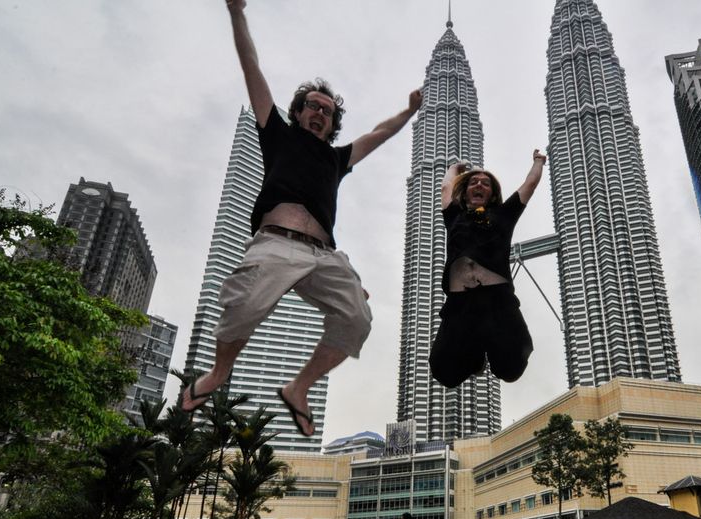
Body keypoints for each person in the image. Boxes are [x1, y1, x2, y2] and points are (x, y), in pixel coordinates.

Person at [181, 0, 423, 437]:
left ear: (332, 124)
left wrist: (408, 112)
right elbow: (250, 65)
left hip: (325, 255)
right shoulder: (276, 133)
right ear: (298, 111)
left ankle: (299, 387)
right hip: (276, 243)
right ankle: (218, 373)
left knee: (357, 318)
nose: (318, 112)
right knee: (246, 304)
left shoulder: (337, 159)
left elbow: (378, 135)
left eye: (326, 111)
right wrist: (237, 12)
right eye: (311, 106)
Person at [429, 151, 547, 388]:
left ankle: (488, 351)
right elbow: (444, 189)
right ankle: (475, 359)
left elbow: (530, 185)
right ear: (466, 191)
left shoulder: (504, 214)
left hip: (498, 301)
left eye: (485, 183)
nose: (479, 184)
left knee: (511, 368)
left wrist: (538, 162)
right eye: (474, 182)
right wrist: (454, 167)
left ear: (492, 194)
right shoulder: (454, 216)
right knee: (443, 371)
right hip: (460, 303)